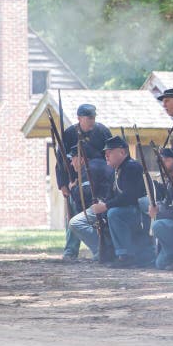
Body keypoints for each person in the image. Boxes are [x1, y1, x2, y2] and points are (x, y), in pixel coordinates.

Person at [57, 103, 112, 259]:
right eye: (89, 118)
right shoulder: (69, 134)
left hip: (100, 180)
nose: (92, 121)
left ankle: (103, 248)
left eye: (93, 117)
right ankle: (70, 250)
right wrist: (63, 184)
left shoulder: (102, 131)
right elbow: (61, 160)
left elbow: (111, 153)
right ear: (79, 118)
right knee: (74, 212)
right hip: (75, 180)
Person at [88, 136, 149, 268]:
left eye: (109, 152)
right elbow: (113, 194)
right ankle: (112, 252)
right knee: (108, 213)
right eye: (105, 153)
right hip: (130, 211)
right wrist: (103, 204)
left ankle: (125, 255)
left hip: (140, 212)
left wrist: (106, 206)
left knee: (114, 213)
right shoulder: (118, 170)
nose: (106, 156)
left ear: (122, 152)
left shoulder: (131, 167)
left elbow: (129, 196)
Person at [65, 147, 115, 261]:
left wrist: (73, 189)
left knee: (75, 223)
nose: (71, 164)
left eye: (73, 159)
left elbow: (86, 193)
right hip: (107, 204)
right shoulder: (96, 165)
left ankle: (101, 251)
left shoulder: (89, 169)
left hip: (104, 206)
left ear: (81, 159)